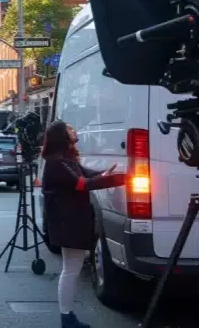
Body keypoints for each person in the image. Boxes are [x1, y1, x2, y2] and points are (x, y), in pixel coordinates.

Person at [41, 120, 126, 328]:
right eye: (70, 129)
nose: (74, 131)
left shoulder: (66, 160)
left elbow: (87, 175)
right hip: (67, 222)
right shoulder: (57, 163)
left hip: (70, 221)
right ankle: (66, 317)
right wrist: (120, 179)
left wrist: (106, 175)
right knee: (70, 269)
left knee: (72, 268)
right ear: (62, 135)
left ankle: (67, 316)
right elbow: (81, 184)